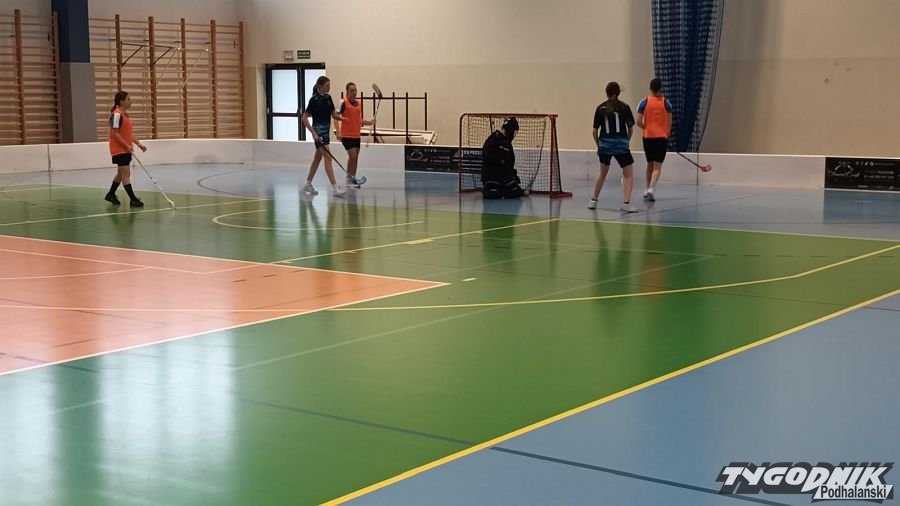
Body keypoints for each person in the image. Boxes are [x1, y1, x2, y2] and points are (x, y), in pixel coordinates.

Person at [588, 82, 637, 213]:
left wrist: (599, 146)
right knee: (628, 174)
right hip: (621, 145)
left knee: (602, 173)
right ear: (618, 93)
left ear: (607, 93)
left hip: (605, 145)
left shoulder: (600, 108)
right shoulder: (625, 107)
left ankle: (593, 200)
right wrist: (626, 141)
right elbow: (631, 128)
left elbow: (594, 131)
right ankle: (626, 203)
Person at [301, 76, 345, 197]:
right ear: (320, 86)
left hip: (326, 132)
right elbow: (304, 118)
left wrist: (343, 118)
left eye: (329, 85)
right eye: (327, 85)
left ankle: (308, 183)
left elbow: (333, 115)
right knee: (328, 158)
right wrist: (313, 133)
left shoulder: (328, 98)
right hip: (318, 133)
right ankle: (335, 188)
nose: (329, 87)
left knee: (317, 159)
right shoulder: (313, 100)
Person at [105, 91, 147, 207]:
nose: (131, 101)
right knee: (126, 173)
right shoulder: (117, 115)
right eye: (128, 99)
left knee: (120, 174)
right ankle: (133, 199)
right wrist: (126, 146)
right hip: (119, 149)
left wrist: (138, 144)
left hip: (124, 149)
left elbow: (128, 134)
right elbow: (115, 133)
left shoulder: (125, 115)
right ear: (121, 101)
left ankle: (111, 194)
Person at [636, 78, 673, 202]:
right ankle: (652, 188)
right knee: (657, 166)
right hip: (661, 137)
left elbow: (638, 121)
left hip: (648, 137)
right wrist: (667, 131)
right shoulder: (666, 103)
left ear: (650, 88)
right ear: (660, 88)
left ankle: (646, 189)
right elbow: (670, 122)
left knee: (649, 164)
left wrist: (645, 128)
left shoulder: (644, 102)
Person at [335, 82, 375, 188]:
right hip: (346, 135)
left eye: (355, 90)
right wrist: (338, 131)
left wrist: (369, 122)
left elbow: (358, 119)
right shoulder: (342, 102)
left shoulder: (359, 103)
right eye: (352, 90)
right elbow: (335, 116)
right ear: (347, 92)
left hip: (356, 135)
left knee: (355, 158)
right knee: (352, 156)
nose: (354, 92)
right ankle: (349, 179)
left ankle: (351, 179)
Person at [481, 117, 525, 199]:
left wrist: (513, 175)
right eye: (514, 132)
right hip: (492, 175)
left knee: (516, 192)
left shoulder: (508, 143)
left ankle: (504, 190)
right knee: (493, 193)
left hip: (504, 177)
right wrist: (499, 161)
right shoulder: (494, 138)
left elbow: (510, 163)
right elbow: (486, 155)